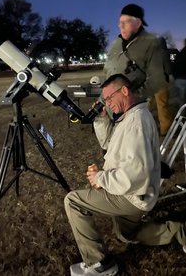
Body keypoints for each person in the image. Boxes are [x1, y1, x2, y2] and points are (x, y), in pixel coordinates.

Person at [64, 74, 186, 276]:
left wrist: (100, 178)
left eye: (109, 98)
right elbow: (109, 145)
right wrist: (102, 119)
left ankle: (100, 264)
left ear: (124, 91)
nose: (108, 103)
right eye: (105, 100)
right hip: (138, 193)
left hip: (132, 194)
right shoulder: (132, 115)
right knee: (127, 234)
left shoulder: (136, 123)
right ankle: (181, 232)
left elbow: (136, 173)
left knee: (73, 201)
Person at [103, 3, 173, 135]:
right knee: (156, 105)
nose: (121, 25)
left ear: (138, 23)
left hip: (151, 84)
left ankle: (165, 129)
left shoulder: (153, 46)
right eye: (120, 22)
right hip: (123, 95)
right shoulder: (120, 43)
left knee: (161, 104)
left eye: (126, 21)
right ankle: (158, 125)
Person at [172, 39, 186, 108]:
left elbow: (173, 64)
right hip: (182, 78)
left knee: (182, 99)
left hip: (179, 79)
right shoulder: (175, 52)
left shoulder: (179, 53)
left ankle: (183, 115)